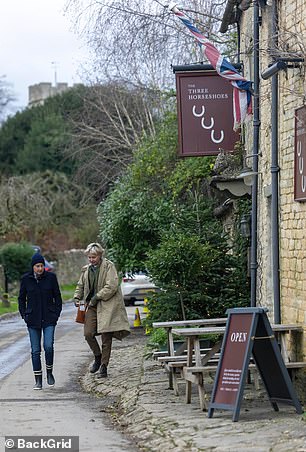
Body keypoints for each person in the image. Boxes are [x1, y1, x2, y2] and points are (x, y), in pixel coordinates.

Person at [73, 242, 130, 378]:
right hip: (92, 305)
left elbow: (112, 286)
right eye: (89, 257)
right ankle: (97, 357)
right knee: (88, 333)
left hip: (107, 304)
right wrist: (77, 297)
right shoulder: (86, 269)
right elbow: (81, 285)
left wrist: (97, 296)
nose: (91, 259)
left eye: (94, 257)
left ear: (100, 255)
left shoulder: (109, 266)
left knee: (106, 336)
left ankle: (104, 366)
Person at [18, 253, 62, 390]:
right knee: (35, 350)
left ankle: (49, 372)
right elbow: (21, 298)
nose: (40, 268)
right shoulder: (26, 279)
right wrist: (24, 315)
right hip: (32, 319)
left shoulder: (51, 278)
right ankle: (38, 379)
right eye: (37, 266)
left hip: (49, 318)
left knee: (48, 346)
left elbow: (58, 297)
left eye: (42, 266)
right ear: (33, 267)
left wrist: (56, 314)